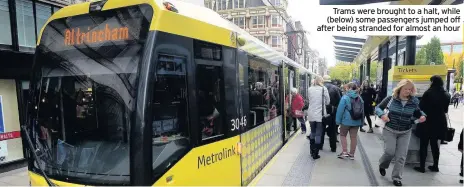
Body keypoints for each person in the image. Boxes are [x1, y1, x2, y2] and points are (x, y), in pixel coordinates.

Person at [375, 79, 427, 186]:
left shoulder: (414, 101)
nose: (408, 91)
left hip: (405, 131)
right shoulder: (391, 99)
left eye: (410, 89)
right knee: (390, 152)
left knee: (401, 156)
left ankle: (397, 178)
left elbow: (419, 112)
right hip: (390, 129)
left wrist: (422, 116)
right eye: (405, 89)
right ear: (400, 88)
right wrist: (382, 115)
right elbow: (378, 108)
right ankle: (382, 165)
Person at [414, 75, 451, 173]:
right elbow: (446, 110)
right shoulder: (447, 94)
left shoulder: (428, 93)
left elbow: (420, 107)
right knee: (435, 145)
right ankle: (435, 166)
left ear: (433, 82)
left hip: (427, 121)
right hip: (439, 122)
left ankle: (422, 167)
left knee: (424, 144)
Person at [335, 82, 364, 160]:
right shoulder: (360, 97)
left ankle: (344, 152)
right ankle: (351, 154)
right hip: (357, 120)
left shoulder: (345, 97)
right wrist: (362, 121)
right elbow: (362, 111)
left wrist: (338, 121)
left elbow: (340, 110)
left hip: (346, 121)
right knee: (353, 137)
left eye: (346, 88)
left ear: (349, 88)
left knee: (342, 135)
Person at [307, 76, 330, 159]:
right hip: (320, 115)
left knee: (312, 132)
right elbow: (328, 102)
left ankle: (311, 150)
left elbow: (309, 99)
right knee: (318, 134)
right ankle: (315, 154)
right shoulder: (324, 89)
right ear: (321, 81)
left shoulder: (310, 89)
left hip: (311, 114)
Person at [321, 75, 342, 152]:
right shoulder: (336, 88)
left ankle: (320, 145)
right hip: (333, 112)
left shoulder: (320, 88)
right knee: (333, 130)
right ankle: (333, 147)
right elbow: (340, 101)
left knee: (321, 129)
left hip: (322, 112)